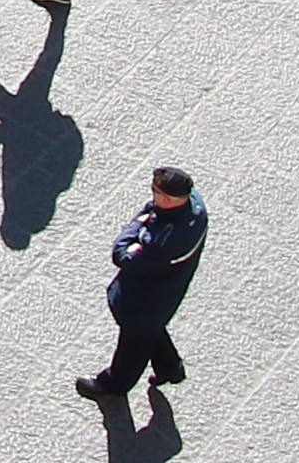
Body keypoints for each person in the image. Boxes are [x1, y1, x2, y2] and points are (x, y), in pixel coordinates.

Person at [80, 167, 207, 408]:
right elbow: (151, 211)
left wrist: (134, 228)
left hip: (144, 300)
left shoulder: (163, 239)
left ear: (168, 199)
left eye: (155, 191)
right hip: (166, 293)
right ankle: (170, 368)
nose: (152, 195)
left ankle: (114, 385)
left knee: (133, 344)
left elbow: (122, 253)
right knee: (152, 329)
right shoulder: (194, 204)